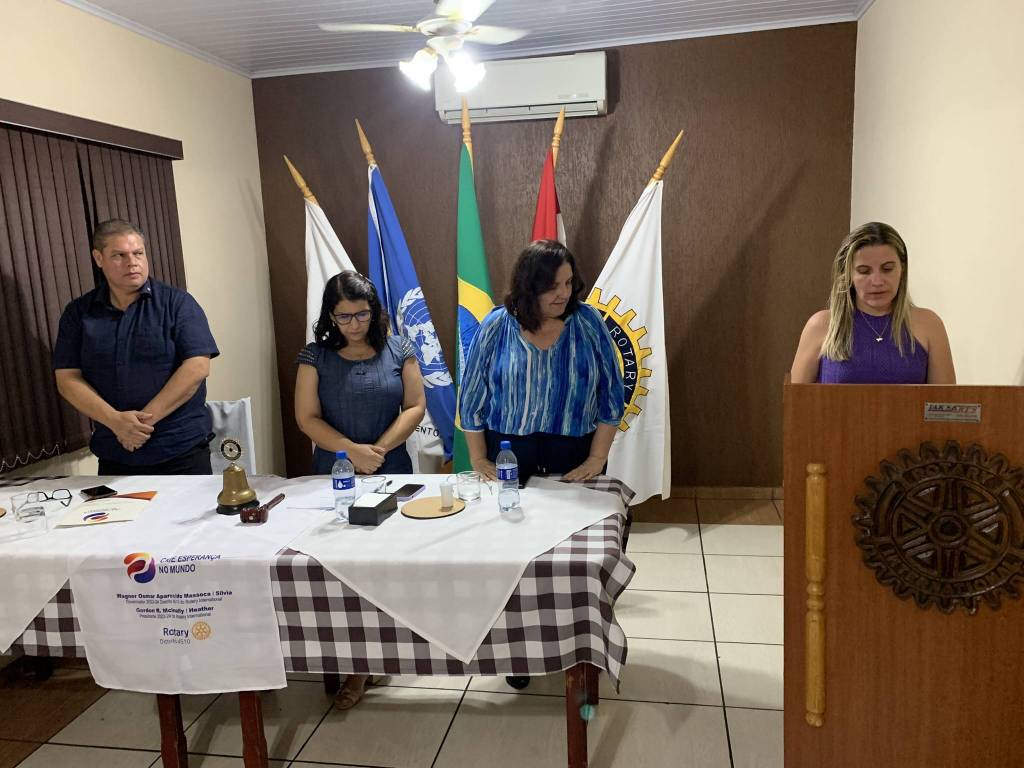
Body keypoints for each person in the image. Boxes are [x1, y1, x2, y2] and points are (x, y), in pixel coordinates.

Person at [294, 270, 425, 708]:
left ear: (375, 311)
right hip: (336, 475)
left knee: (386, 564)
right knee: (340, 569)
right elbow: (307, 418)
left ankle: (384, 649)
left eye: (362, 314)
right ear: (330, 316)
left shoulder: (399, 348)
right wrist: (351, 452)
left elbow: (415, 405)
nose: (354, 324)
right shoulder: (314, 356)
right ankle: (353, 661)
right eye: (344, 316)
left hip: (391, 469)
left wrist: (378, 452)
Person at [53, 219, 219, 474]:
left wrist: (140, 425)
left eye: (138, 253)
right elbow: (67, 379)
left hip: (179, 450)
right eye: (119, 255)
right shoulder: (78, 313)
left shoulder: (178, 303)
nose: (132, 262)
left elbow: (197, 367)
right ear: (99, 258)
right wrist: (116, 422)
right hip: (115, 451)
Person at [460, 239, 625, 482]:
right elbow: (472, 397)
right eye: (552, 286)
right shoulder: (496, 325)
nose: (564, 293)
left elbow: (612, 394)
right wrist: (478, 459)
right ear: (529, 286)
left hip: (576, 455)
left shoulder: (589, 322)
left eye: (568, 283)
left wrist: (597, 458)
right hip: (507, 453)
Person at [790, 221, 955, 385]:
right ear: (848, 274)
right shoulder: (821, 325)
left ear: (902, 269)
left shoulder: (929, 325)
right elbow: (795, 399)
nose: (877, 281)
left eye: (887, 269)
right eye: (864, 271)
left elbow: (947, 400)